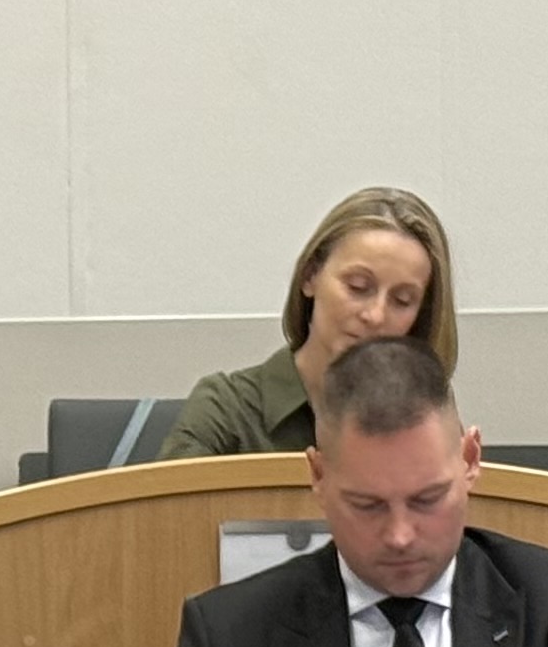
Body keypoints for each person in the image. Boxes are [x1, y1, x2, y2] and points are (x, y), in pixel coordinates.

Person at [162, 338, 548, 647]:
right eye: (367, 505)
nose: (399, 536)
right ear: (318, 476)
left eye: (426, 499)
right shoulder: (230, 639)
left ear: (470, 460)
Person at [158, 186, 462, 458]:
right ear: (310, 276)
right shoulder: (227, 409)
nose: (376, 315)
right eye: (358, 287)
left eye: (402, 301)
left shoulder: (427, 412)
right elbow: (168, 504)